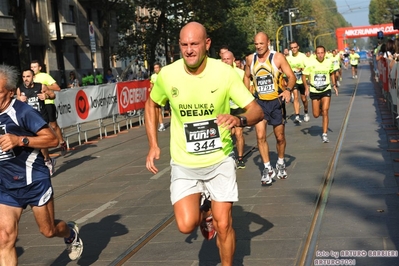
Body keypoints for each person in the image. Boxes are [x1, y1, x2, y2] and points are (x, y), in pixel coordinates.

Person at [145, 22, 263, 265]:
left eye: (194, 44)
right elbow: (151, 104)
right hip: (184, 162)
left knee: (224, 224)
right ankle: (205, 210)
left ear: (206, 44)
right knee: (185, 225)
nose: (189, 50)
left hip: (219, 158)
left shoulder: (224, 73)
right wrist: (153, 145)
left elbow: (256, 110)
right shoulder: (168, 74)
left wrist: (238, 119)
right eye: (184, 45)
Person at [0, 65, 83, 265]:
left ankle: (70, 234)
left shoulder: (22, 111)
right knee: (4, 238)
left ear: (11, 93)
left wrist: (20, 140)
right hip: (6, 186)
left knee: (48, 231)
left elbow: (52, 139)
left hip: (34, 181)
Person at [244, 32, 295, 185]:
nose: (258, 46)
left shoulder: (277, 57)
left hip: (276, 102)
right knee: (260, 136)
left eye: (261, 43)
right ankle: (267, 168)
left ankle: (280, 162)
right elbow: (246, 76)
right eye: (256, 44)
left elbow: (291, 76)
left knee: (280, 137)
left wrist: (288, 90)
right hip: (259, 103)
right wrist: (246, 96)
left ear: (268, 43)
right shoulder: (250, 59)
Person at [17, 69, 57, 176]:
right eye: (24, 77)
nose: (26, 79)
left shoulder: (41, 86)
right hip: (28, 119)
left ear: (33, 77)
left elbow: (53, 95)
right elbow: (15, 100)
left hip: (40, 117)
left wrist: (46, 96)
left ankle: (47, 160)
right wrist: (19, 98)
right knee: (30, 142)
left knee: (42, 140)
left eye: (28, 76)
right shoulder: (20, 89)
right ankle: (40, 162)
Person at [31, 60, 66, 165]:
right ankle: (45, 157)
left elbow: (57, 88)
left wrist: (45, 86)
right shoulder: (29, 78)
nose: (33, 69)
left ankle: (61, 142)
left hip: (48, 103)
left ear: (40, 68)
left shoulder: (45, 76)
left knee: (53, 125)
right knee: (41, 129)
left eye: (35, 67)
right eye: (31, 67)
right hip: (37, 105)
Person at [302, 45, 338, 143]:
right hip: (314, 90)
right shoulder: (311, 63)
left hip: (326, 89)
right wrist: (306, 87)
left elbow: (331, 73)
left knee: (325, 111)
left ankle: (324, 134)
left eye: (322, 53)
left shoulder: (328, 62)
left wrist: (334, 85)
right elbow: (304, 75)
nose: (320, 55)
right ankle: (321, 109)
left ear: (325, 53)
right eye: (318, 53)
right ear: (315, 54)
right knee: (316, 114)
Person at [221, 50, 246, 169]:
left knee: (239, 132)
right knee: (228, 133)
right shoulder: (218, 74)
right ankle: (229, 155)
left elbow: (246, 89)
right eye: (223, 59)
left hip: (238, 107)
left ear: (233, 60)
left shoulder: (240, 73)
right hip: (225, 107)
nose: (226, 61)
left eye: (228, 59)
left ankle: (240, 158)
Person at [286, 41, 310, 123]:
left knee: (304, 99)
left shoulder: (303, 56)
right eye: (292, 48)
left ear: (298, 47)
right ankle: (297, 115)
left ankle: (306, 112)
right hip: (294, 80)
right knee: (295, 97)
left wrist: (301, 69)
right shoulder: (288, 58)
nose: (293, 49)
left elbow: (308, 67)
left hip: (302, 80)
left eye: (295, 47)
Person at [150, 62, 165, 132]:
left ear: (160, 68)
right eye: (154, 68)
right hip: (158, 95)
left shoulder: (163, 74)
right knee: (158, 110)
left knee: (172, 109)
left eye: (157, 67)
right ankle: (161, 125)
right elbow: (151, 84)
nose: (156, 69)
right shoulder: (153, 76)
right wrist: (151, 89)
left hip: (166, 94)